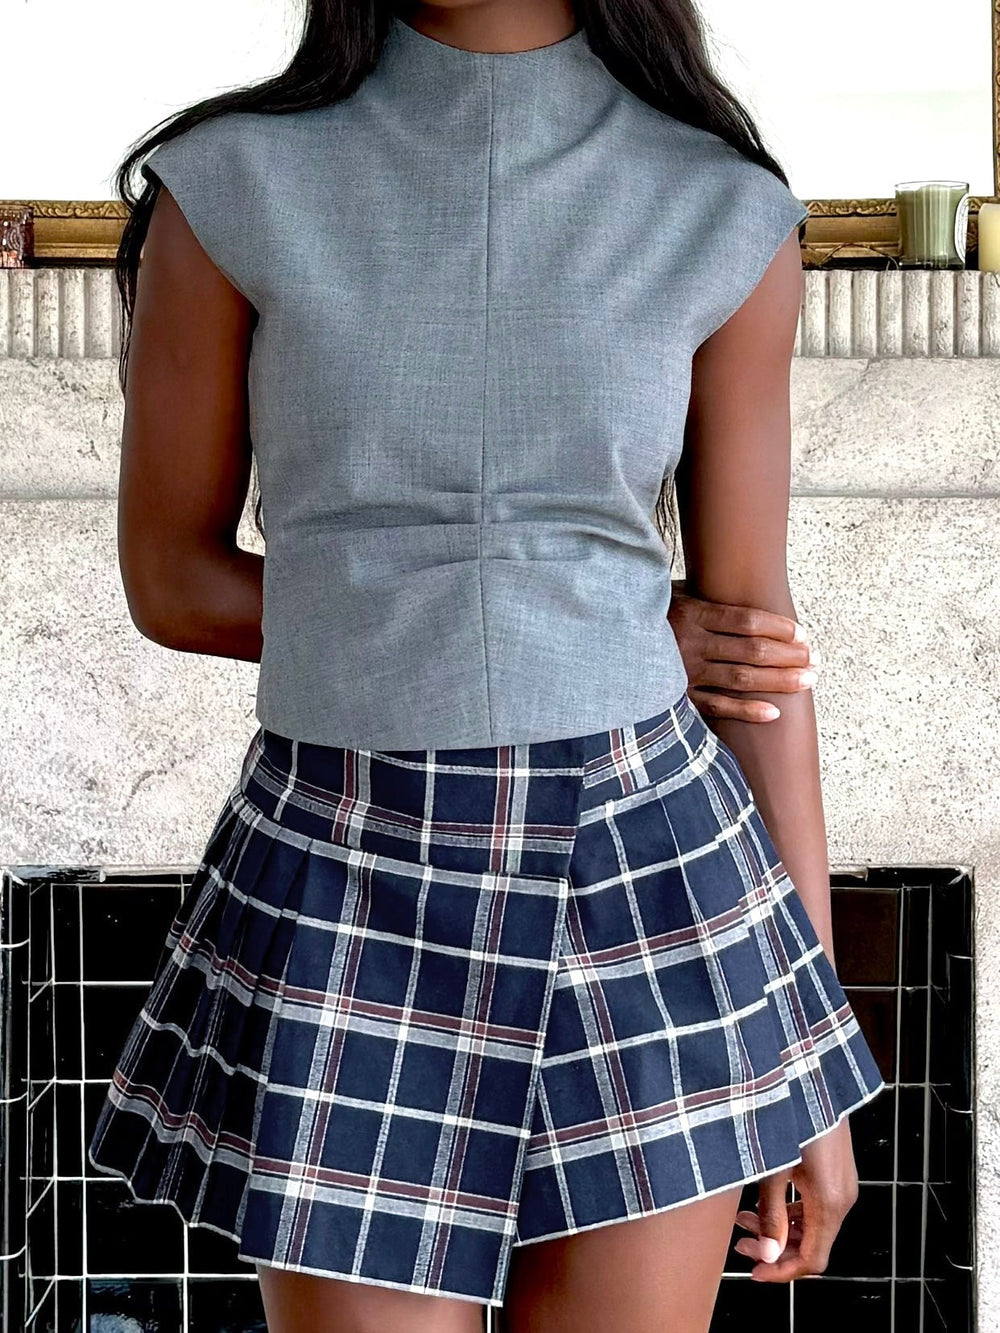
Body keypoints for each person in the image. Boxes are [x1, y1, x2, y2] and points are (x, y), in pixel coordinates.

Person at [87, 3, 885, 1330]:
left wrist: (810, 1066)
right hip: (351, 873)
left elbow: (754, 647)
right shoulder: (233, 188)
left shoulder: (720, 209)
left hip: (649, 873)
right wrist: (574, 618)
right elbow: (171, 579)